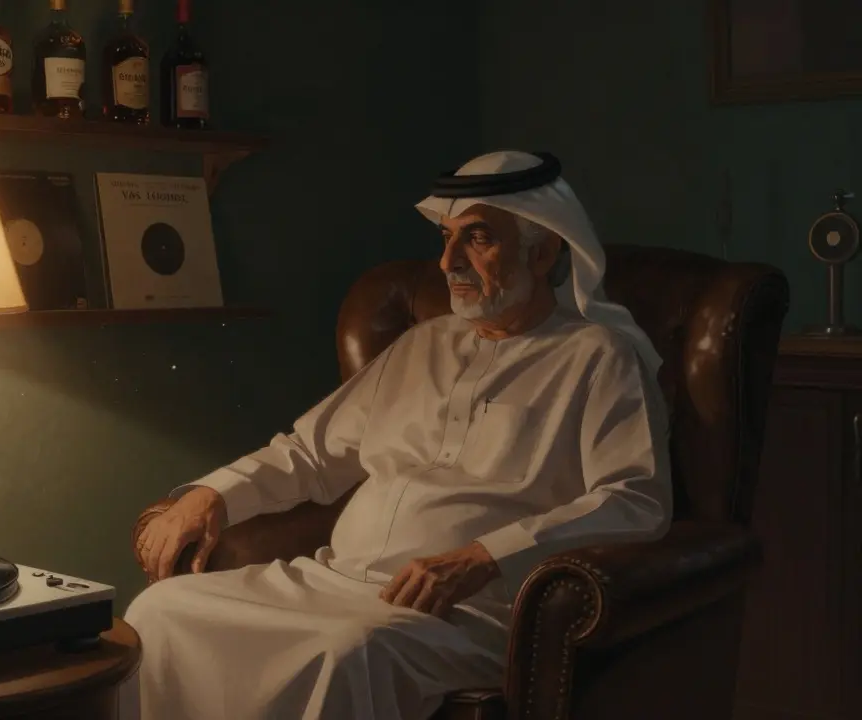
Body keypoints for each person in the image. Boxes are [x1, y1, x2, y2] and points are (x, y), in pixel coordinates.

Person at [119, 150, 673, 720]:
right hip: (329, 583)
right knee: (161, 610)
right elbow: (310, 453)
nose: (448, 262)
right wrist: (210, 495)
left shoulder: (598, 358)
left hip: (463, 613)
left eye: (477, 239)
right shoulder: (423, 344)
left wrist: (485, 556)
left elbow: (634, 500)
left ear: (545, 250)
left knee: (347, 654)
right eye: (446, 238)